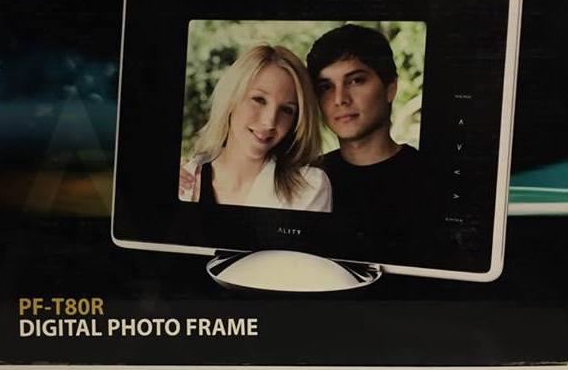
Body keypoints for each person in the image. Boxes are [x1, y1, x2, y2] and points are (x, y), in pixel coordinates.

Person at [306, 24, 441, 261]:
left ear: (390, 88)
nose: (340, 99)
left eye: (356, 81)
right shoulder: (308, 180)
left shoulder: (433, 179)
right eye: (326, 87)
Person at [179, 45, 332, 213]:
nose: (270, 122)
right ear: (231, 98)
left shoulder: (309, 187)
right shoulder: (185, 181)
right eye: (259, 100)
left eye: (286, 110)